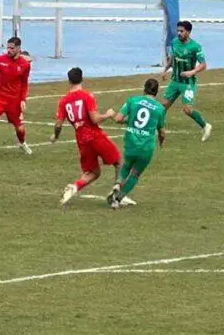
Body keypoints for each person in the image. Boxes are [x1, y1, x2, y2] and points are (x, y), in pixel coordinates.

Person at [53, 67, 121, 207]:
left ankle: (75, 187)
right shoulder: (86, 96)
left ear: (69, 80)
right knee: (119, 162)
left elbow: (58, 124)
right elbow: (95, 119)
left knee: (94, 172)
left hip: (81, 140)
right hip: (95, 136)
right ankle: (117, 196)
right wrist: (107, 115)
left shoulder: (63, 101)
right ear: (82, 78)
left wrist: (55, 136)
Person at [108, 78, 166, 209]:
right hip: (146, 147)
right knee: (135, 174)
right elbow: (162, 132)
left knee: (126, 165)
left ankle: (117, 183)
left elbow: (118, 119)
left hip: (131, 142)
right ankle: (118, 199)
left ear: (144, 89)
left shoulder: (132, 101)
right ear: (156, 92)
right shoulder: (160, 109)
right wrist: (161, 143)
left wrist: (115, 116)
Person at [161, 21, 212, 142]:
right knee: (162, 107)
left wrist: (191, 72)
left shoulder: (195, 47)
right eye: (178, 31)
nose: (179, 33)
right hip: (175, 81)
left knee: (187, 110)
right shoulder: (174, 42)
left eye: (182, 31)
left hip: (188, 83)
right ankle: (158, 129)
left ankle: (205, 126)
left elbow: (203, 65)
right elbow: (173, 58)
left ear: (188, 32)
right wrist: (165, 70)